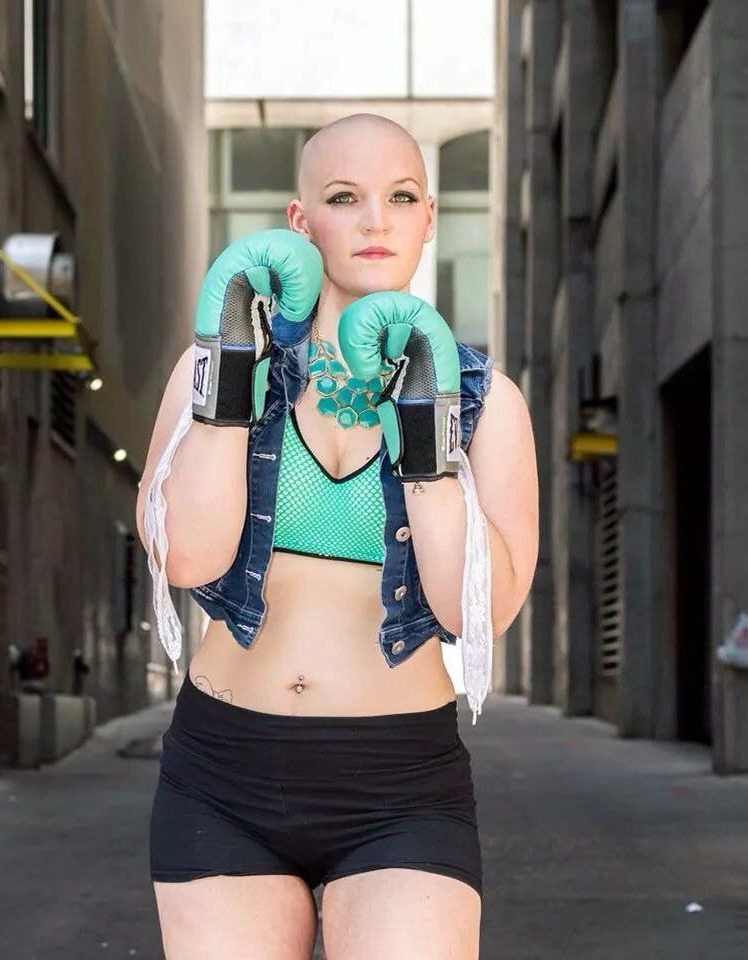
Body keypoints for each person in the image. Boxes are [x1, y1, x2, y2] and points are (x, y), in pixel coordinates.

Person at [136, 113, 539, 960]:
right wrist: (230, 375)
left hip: (400, 783)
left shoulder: (486, 400)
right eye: (344, 197)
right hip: (223, 769)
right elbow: (186, 556)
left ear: (429, 218)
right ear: (300, 222)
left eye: (401, 197)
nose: (374, 220)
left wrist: (426, 433)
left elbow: (478, 613)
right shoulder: (216, 362)